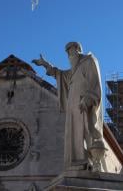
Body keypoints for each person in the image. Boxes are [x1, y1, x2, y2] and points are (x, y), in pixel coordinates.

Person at [32, 42, 104, 170]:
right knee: (74, 133)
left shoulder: (89, 61)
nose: (68, 55)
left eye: (70, 51)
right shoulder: (73, 71)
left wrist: (88, 99)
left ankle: (92, 161)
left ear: (77, 49)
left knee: (87, 131)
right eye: (67, 53)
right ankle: (77, 160)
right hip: (73, 108)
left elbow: (95, 82)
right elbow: (58, 74)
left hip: (85, 105)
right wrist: (45, 64)